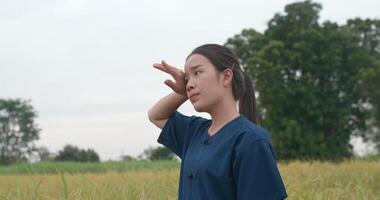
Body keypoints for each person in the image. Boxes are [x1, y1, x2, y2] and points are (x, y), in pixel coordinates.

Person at [148, 43, 288, 200]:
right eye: (187, 79)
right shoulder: (194, 131)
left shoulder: (250, 140)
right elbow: (156, 115)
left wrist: (189, 88)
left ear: (226, 76)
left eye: (197, 72)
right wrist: (182, 93)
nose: (189, 84)